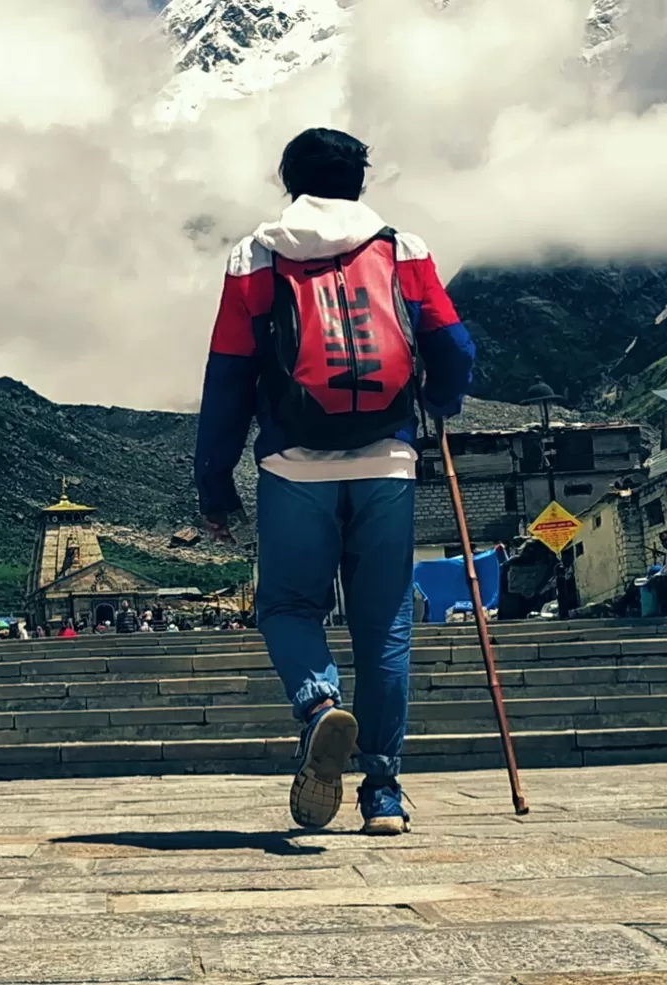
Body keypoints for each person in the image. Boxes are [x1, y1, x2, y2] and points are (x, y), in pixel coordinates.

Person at [194, 128, 474, 836]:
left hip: (293, 463)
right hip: (387, 459)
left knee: (289, 606)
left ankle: (321, 706)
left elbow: (229, 371)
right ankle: (382, 792)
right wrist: (439, 400)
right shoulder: (401, 247)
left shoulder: (257, 254)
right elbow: (452, 343)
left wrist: (214, 480)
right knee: (384, 626)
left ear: (289, 181)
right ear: (360, 180)